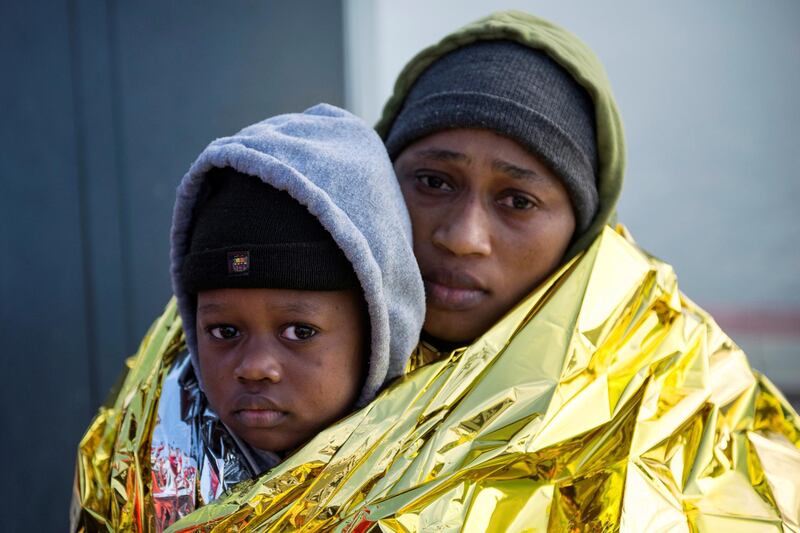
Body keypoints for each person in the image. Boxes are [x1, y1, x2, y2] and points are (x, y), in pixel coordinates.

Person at [156, 11, 799, 532]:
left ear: (578, 229)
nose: (462, 237)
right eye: (433, 181)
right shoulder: (245, 309)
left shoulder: (670, 394)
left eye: (517, 201)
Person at [70, 104, 425, 532]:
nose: (255, 367)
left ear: (376, 333)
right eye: (225, 331)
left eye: (299, 331)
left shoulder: (431, 489)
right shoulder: (136, 476)